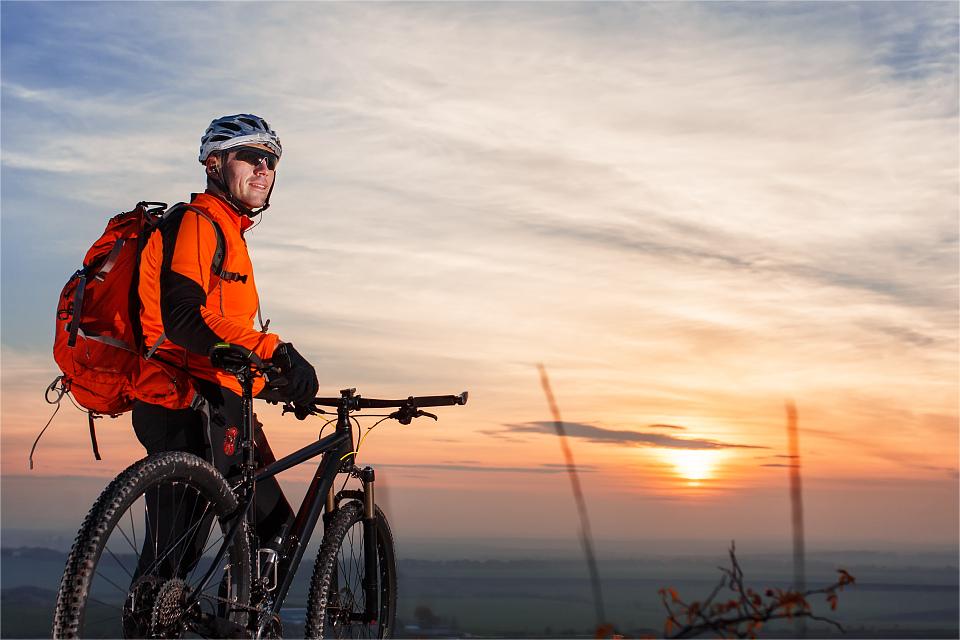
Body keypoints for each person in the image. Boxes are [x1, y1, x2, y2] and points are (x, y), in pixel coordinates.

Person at [131, 114, 319, 583]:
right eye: (251, 157)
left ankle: (237, 623)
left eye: (272, 161)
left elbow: (221, 331)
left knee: (272, 533)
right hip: (182, 402)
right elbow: (183, 318)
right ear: (214, 164)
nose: (264, 169)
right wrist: (275, 349)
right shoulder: (198, 223)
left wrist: (265, 375)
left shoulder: (227, 232)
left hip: (219, 400)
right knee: (171, 562)